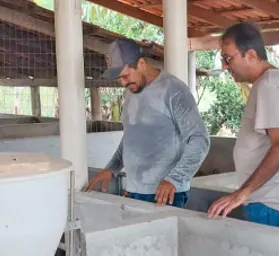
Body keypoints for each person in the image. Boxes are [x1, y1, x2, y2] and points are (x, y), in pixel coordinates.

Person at [87, 39, 210, 208]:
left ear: (142, 64)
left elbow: (199, 139)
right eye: (119, 79)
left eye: (125, 75)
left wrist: (174, 179)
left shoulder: (173, 90)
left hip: (165, 193)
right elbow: (130, 138)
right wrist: (111, 168)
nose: (122, 83)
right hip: (134, 189)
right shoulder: (132, 92)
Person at [207, 22, 279, 230]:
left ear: (251, 55)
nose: (225, 66)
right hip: (269, 201)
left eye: (229, 58)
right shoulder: (271, 81)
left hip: (272, 203)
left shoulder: (269, 86)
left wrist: (241, 193)